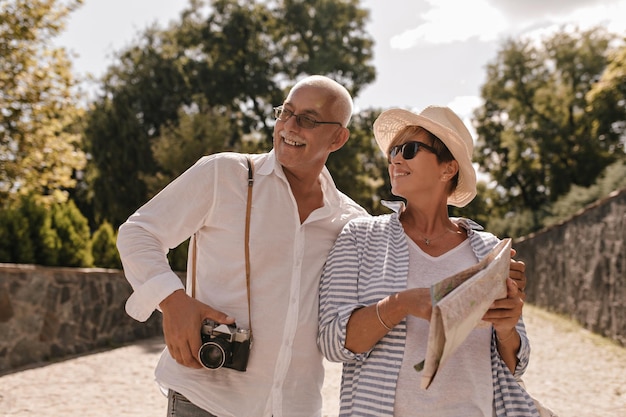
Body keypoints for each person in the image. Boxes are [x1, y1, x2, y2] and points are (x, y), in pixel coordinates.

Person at [116, 75, 369, 417]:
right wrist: (173, 302)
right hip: (205, 399)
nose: (289, 126)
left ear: (338, 138)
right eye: (285, 112)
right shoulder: (224, 174)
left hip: (296, 407)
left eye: (308, 120)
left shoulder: (351, 220)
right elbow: (138, 233)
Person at [317, 105, 540, 416]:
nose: (395, 158)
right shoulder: (359, 236)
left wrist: (506, 327)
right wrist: (403, 303)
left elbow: (516, 365)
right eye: (393, 150)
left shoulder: (488, 248)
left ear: (447, 169)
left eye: (409, 150)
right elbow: (331, 342)